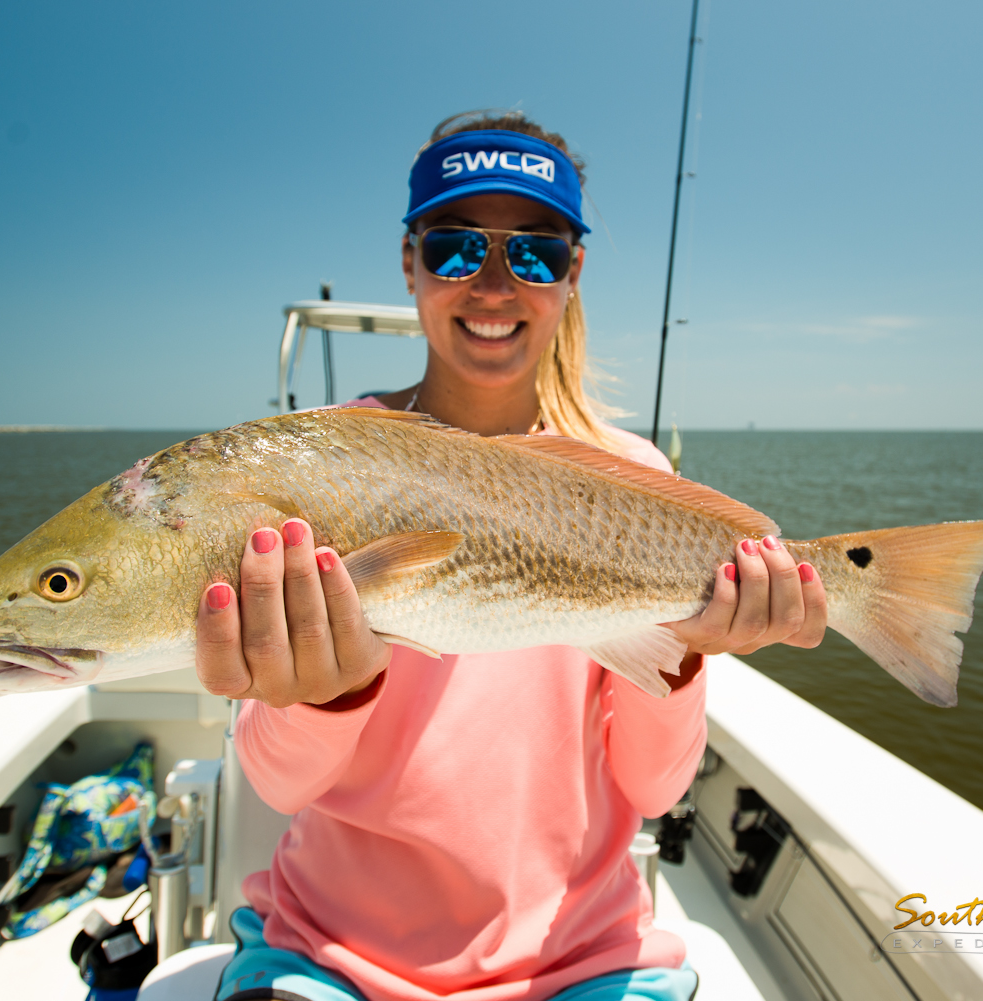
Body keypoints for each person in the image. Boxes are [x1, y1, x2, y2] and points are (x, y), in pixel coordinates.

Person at [195, 111, 827, 1001]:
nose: (493, 284)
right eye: (456, 248)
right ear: (410, 262)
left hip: (579, 964)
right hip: (329, 955)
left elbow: (653, 788)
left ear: (573, 272)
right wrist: (322, 689)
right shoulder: (318, 461)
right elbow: (276, 776)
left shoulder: (636, 480)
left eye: (533, 252)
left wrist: (690, 652)